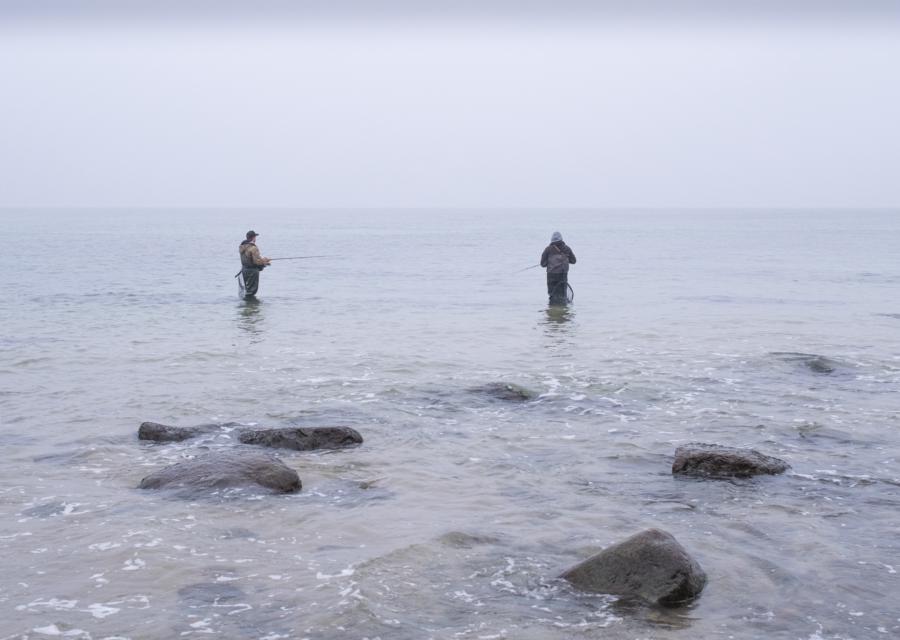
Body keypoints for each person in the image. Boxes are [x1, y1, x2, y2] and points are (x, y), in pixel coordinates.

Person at [540, 231, 576, 305]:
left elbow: (542, 264)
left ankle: (552, 308)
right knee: (562, 295)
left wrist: (549, 262)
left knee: (552, 294)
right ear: (561, 239)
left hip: (551, 275)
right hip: (563, 275)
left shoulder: (548, 249)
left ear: (552, 240)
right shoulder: (567, 249)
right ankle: (562, 309)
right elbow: (573, 261)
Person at [239, 230, 271, 297]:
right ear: (253, 238)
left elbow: (249, 259)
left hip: (244, 270)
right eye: (255, 237)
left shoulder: (242, 246)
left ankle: (247, 302)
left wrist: (263, 260)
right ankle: (251, 303)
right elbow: (257, 261)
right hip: (252, 272)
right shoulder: (253, 248)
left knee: (247, 290)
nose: (255, 238)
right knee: (251, 292)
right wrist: (265, 261)